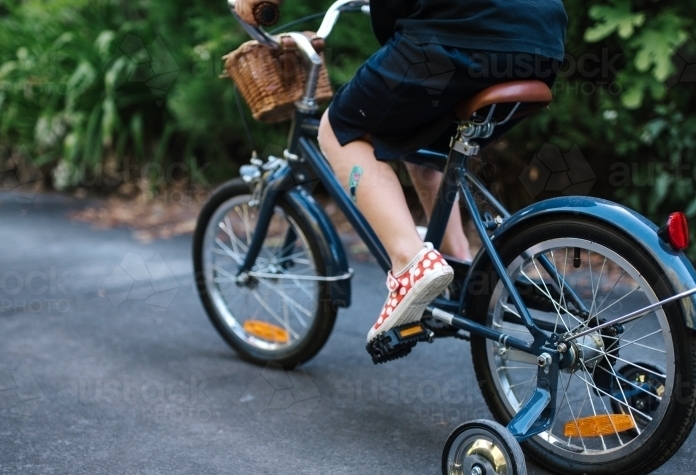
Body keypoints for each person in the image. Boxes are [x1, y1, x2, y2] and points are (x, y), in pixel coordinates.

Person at [234, 0, 567, 344]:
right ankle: (457, 265)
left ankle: (410, 263)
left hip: (459, 34)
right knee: (422, 135)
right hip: (541, 41)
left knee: (337, 129)